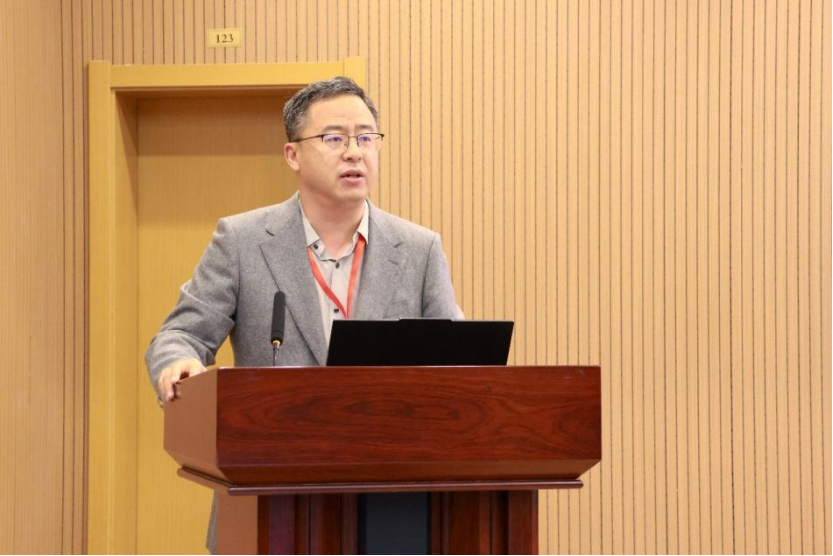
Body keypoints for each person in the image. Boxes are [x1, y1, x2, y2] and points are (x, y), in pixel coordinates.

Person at [144, 76, 461, 553]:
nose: (354, 153)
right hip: (269, 495)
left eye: (366, 137)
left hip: (392, 501)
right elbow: (180, 334)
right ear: (292, 155)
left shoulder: (418, 249)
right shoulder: (243, 240)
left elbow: (459, 360)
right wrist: (178, 362)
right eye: (334, 138)